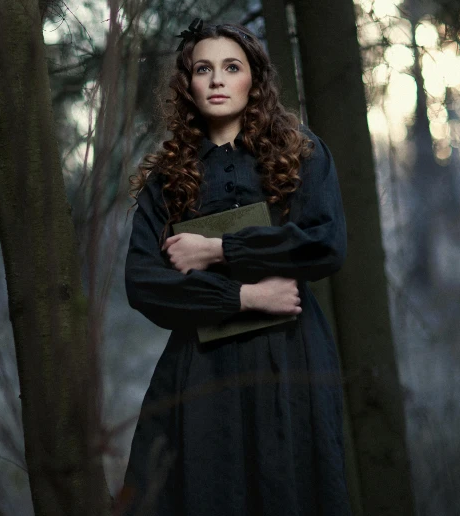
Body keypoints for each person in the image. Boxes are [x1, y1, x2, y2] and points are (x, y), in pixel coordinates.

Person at [119, 19, 351, 516]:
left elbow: (325, 245)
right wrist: (242, 298)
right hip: (201, 371)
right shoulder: (166, 177)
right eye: (204, 69)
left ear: (255, 80)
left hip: (290, 358)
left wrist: (220, 251)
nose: (218, 80)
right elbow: (143, 283)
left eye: (232, 67)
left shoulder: (301, 152)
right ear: (188, 85)